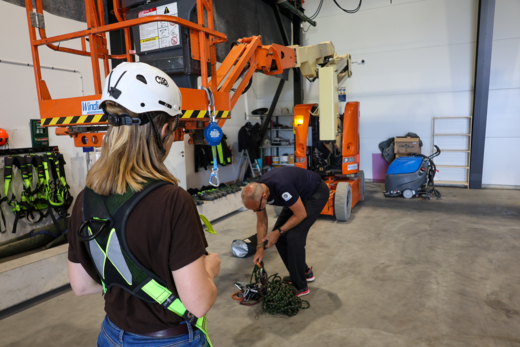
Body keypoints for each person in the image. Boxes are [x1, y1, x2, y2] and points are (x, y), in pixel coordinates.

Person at [67, 62, 220, 347]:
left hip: (111, 336)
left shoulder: (86, 199)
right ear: (163, 131)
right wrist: (210, 268)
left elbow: (82, 285)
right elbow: (198, 303)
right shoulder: (173, 201)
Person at [241, 166, 329, 297]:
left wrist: (277, 232)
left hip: (315, 194)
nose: (255, 211)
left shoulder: (282, 186)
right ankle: (304, 272)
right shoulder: (259, 191)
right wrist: (260, 247)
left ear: (264, 196)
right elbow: (261, 222)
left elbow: (301, 214)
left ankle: (301, 287)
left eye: (256, 208)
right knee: (281, 238)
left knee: (293, 236)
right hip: (297, 195)